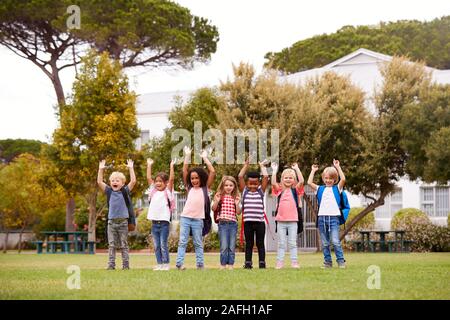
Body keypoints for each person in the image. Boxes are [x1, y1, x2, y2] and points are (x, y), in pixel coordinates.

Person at [176, 146, 215, 270]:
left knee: (198, 243)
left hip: (198, 220)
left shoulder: (206, 188)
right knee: (182, 242)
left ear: (201, 178)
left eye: (196, 178)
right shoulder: (189, 188)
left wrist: (204, 158)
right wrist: (187, 155)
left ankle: (200, 265)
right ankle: (179, 264)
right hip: (185, 218)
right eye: (192, 178)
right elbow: (184, 170)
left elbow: (212, 171)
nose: (194, 180)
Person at [97, 159, 136, 270]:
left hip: (123, 223)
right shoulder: (109, 191)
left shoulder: (125, 191)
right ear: (110, 183)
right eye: (113, 180)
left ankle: (126, 266)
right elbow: (99, 182)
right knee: (111, 245)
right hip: (111, 223)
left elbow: (133, 182)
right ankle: (111, 265)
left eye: (117, 180)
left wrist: (130, 168)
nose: (115, 182)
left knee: (124, 245)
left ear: (122, 183)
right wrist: (101, 169)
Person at [307, 159, 347, 269]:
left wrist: (338, 167)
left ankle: (341, 261)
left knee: (335, 241)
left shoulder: (337, 188)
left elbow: (343, 179)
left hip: (334, 218)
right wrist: (313, 171)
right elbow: (309, 183)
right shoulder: (319, 188)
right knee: (325, 243)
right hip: (322, 219)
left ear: (335, 180)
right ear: (323, 178)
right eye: (326, 178)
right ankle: (328, 262)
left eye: (331, 178)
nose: (328, 180)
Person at [271, 162, 304, 269]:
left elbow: (302, 181)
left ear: (294, 180)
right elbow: (273, 182)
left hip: (293, 220)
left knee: (292, 243)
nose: (288, 179)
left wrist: (297, 169)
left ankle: (294, 262)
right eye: (286, 178)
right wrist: (274, 171)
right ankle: (279, 262)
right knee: (281, 243)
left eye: (290, 178)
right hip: (281, 220)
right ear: (282, 179)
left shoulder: (296, 190)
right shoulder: (280, 189)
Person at [238, 158, 269, 269]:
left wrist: (262, 166)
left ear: (259, 184)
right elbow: (240, 176)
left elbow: (266, 177)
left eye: (255, 184)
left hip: (260, 223)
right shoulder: (245, 191)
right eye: (250, 184)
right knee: (249, 244)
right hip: (248, 223)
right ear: (247, 183)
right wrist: (246, 165)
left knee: (260, 243)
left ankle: (262, 262)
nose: (253, 186)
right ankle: (248, 263)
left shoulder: (261, 191)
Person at [146, 158, 175, 271]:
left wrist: (171, 165)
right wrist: (149, 165)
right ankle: (159, 264)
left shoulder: (167, 191)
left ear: (165, 183)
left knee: (163, 244)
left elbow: (172, 178)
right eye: (156, 181)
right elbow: (149, 178)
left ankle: (166, 264)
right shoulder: (153, 191)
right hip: (154, 223)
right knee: (157, 245)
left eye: (161, 181)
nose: (158, 183)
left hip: (164, 223)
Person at [212, 176, 241, 270]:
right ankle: (223, 264)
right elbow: (213, 208)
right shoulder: (219, 196)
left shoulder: (235, 197)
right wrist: (216, 201)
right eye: (226, 185)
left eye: (231, 185)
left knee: (231, 246)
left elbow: (238, 212)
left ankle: (231, 265)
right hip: (223, 224)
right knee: (224, 246)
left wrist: (237, 204)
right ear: (223, 186)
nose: (228, 187)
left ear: (234, 186)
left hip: (233, 224)